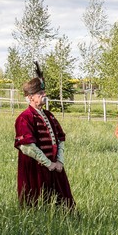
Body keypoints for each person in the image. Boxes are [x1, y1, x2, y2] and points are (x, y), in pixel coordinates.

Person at [14, 63, 75, 208]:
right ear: (30, 97)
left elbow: (60, 139)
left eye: (44, 93)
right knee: (37, 204)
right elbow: (27, 147)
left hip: (55, 168)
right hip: (36, 169)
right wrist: (49, 164)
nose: (44, 96)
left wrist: (59, 162)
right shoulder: (24, 118)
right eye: (40, 94)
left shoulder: (49, 115)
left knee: (63, 205)